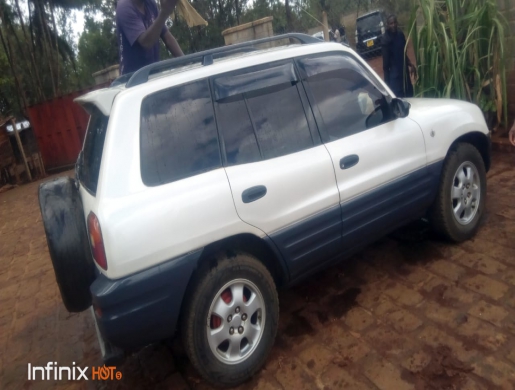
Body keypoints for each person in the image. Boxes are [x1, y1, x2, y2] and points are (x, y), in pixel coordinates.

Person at [116, 0, 184, 75]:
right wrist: (164, 13)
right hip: (133, 80)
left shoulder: (150, 3)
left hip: (154, 75)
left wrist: (186, 62)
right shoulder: (124, 7)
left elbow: (167, 37)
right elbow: (145, 42)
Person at [381, 15, 416, 98]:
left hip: (404, 70)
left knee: (410, 94)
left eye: (394, 22)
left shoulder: (400, 35)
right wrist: (387, 84)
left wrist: (410, 64)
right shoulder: (385, 40)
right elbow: (385, 65)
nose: (393, 25)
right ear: (387, 25)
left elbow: (403, 53)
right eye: (391, 23)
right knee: (398, 98)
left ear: (397, 23)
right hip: (394, 74)